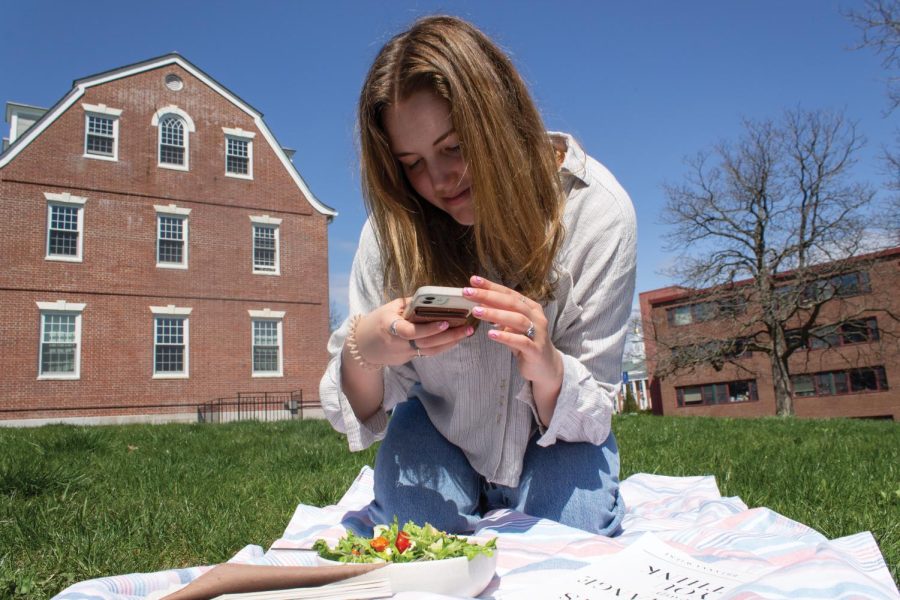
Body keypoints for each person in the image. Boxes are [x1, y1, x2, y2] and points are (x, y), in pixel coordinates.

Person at [320, 15, 637, 536]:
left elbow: (596, 404)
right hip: (437, 429)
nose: (439, 181)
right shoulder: (393, 230)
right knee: (415, 536)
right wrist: (366, 347)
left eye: (454, 147)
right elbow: (364, 408)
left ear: (499, 117)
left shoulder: (597, 212)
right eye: (412, 163)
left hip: (556, 435)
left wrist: (547, 365)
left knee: (577, 531)